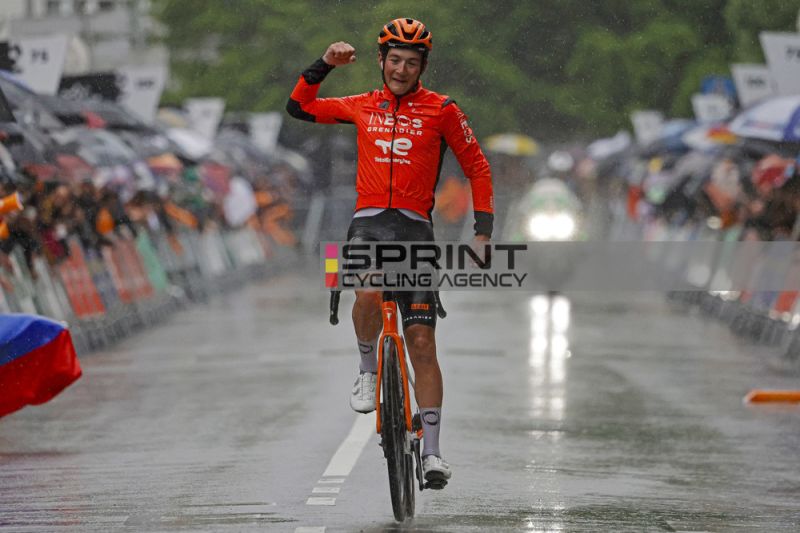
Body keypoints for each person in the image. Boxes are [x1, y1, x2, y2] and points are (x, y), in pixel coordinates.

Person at [287, 18, 494, 488]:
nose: (401, 70)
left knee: (421, 341)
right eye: (395, 60)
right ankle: (367, 369)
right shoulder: (361, 104)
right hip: (367, 225)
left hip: (416, 231)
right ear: (381, 60)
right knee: (366, 291)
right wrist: (324, 65)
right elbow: (299, 107)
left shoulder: (442, 109)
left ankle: (433, 453)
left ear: (423, 67)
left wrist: (482, 232)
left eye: (411, 63)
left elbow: (477, 167)